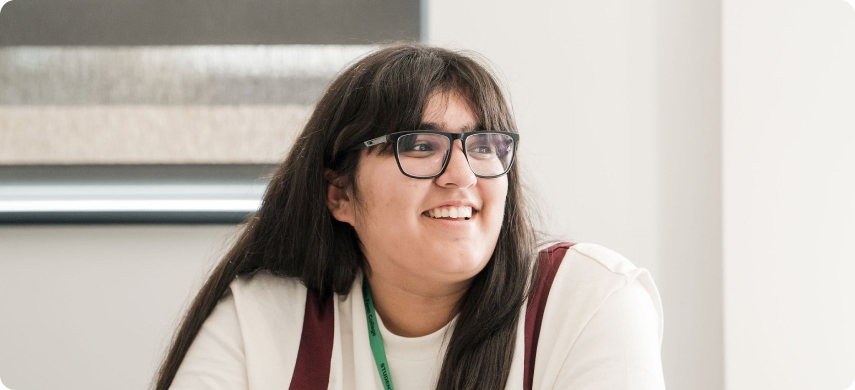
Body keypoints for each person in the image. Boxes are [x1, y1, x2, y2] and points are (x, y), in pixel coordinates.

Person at [151, 42, 666, 390]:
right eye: (420, 146)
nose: (462, 175)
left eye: (483, 145)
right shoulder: (265, 317)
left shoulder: (589, 300)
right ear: (340, 194)